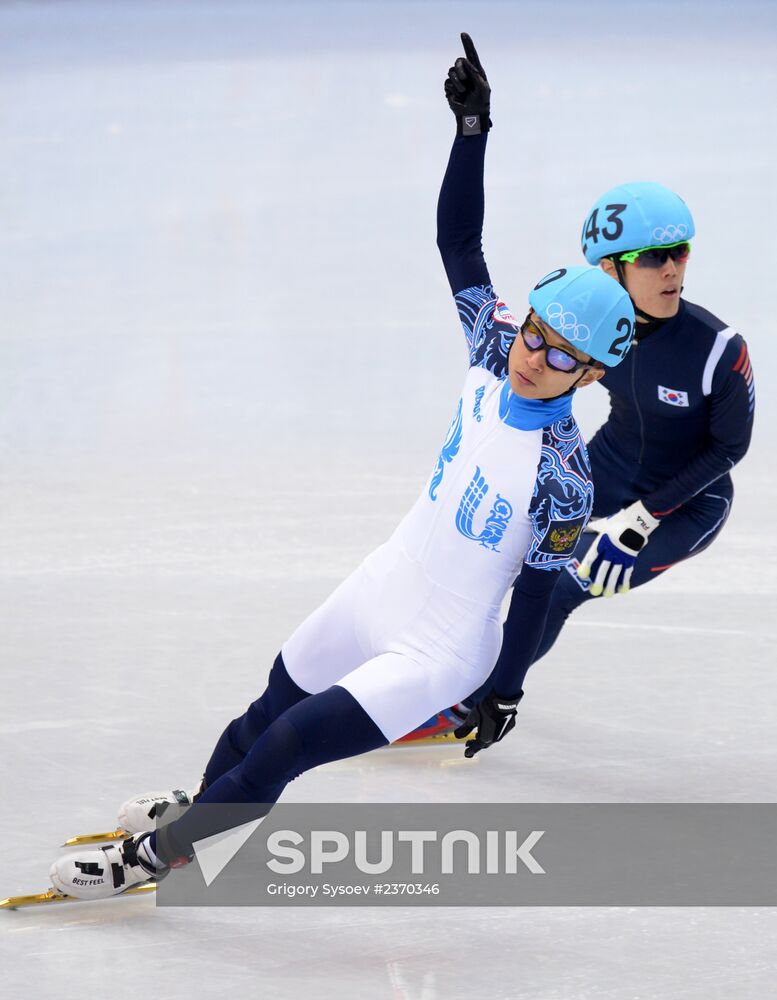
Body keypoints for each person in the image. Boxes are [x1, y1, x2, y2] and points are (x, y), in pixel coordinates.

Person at [49, 34, 635, 900]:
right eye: (536, 332)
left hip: (439, 648)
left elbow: (540, 592)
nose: (532, 355)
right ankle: (204, 809)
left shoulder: (565, 476)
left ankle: (155, 862)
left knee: (289, 748)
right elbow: (457, 243)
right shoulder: (491, 344)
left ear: (589, 377)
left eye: (558, 356)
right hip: (384, 580)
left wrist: (502, 691)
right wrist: (471, 130)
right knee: (267, 707)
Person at [406, 153, 756, 743]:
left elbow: (727, 450)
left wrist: (642, 520)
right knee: (502, 551)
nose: (673, 269)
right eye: (654, 257)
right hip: (613, 464)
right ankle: (420, 661)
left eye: (681, 251)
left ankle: (471, 705)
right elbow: (512, 321)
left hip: (689, 501)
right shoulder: (592, 328)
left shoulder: (718, 348)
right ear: (612, 270)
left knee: (567, 581)